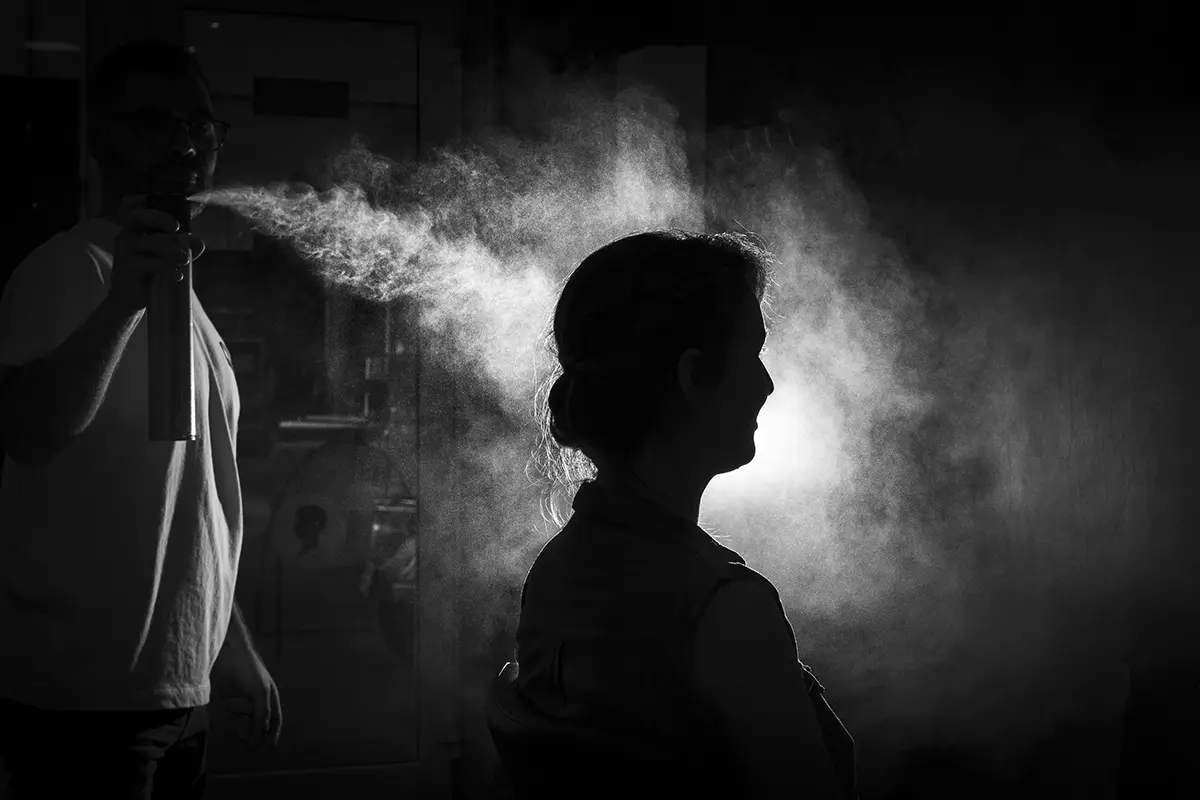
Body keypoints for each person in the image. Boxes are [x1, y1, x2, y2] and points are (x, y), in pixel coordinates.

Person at [0, 40, 280, 799]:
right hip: (86, 699)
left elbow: (192, 498)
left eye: (200, 124)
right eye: (153, 122)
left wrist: (228, 644)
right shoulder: (71, 269)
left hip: (176, 691)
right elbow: (29, 430)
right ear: (100, 141)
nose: (183, 141)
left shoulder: (182, 293)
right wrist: (122, 301)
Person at [485, 230, 858, 799]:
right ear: (693, 376)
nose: (767, 383)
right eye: (752, 354)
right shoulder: (726, 608)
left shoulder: (556, 572)